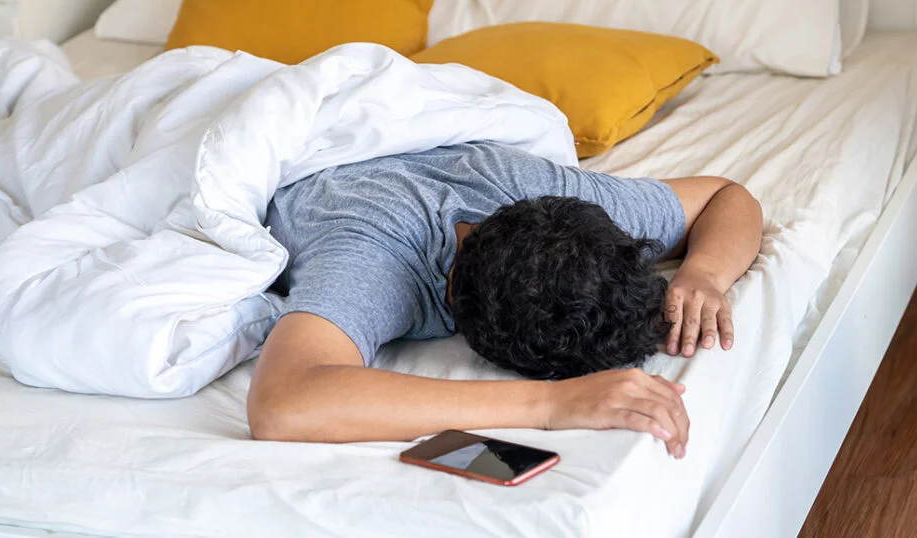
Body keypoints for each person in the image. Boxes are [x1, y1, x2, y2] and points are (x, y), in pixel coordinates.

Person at [248, 142, 763, 459]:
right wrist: (550, 404)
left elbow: (727, 197)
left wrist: (704, 272)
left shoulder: (552, 199)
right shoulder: (370, 260)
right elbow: (282, 403)